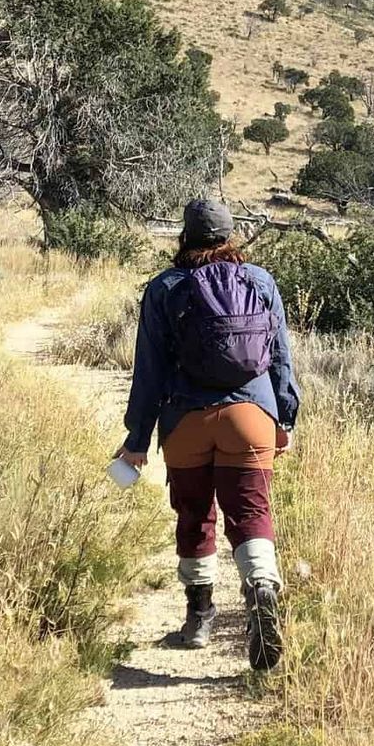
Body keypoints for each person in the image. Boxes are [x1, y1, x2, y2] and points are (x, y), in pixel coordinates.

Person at [115, 198, 299, 670]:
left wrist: (137, 440)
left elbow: (149, 372)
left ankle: (199, 619)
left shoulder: (165, 288)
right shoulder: (260, 282)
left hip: (185, 421)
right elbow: (280, 360)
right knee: (250, 512)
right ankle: (260, 587)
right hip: (251, 415)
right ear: (230, 236)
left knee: (195, 515)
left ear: (186, 237)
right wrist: (286, 419)